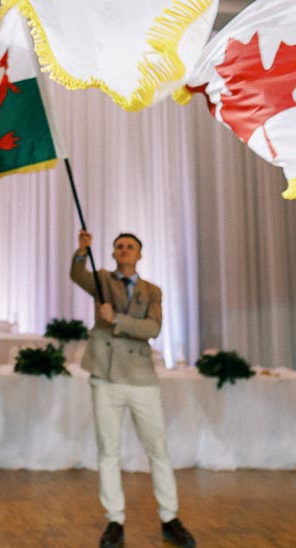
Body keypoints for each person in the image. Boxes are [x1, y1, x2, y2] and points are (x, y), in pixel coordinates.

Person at [71, 230, 194, 548]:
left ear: (139, 255)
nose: (124, 250)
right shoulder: (101, 281)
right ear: (112, 254)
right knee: (108, 451)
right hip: (106, 375)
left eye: (130, 247)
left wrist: (119, 319)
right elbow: (76, 274)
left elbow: (152, 328)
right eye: (119, 247)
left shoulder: (152, 290)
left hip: (141, 378)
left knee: (158, 450)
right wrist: (83, 250)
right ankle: (115, 520)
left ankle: (170, 517)